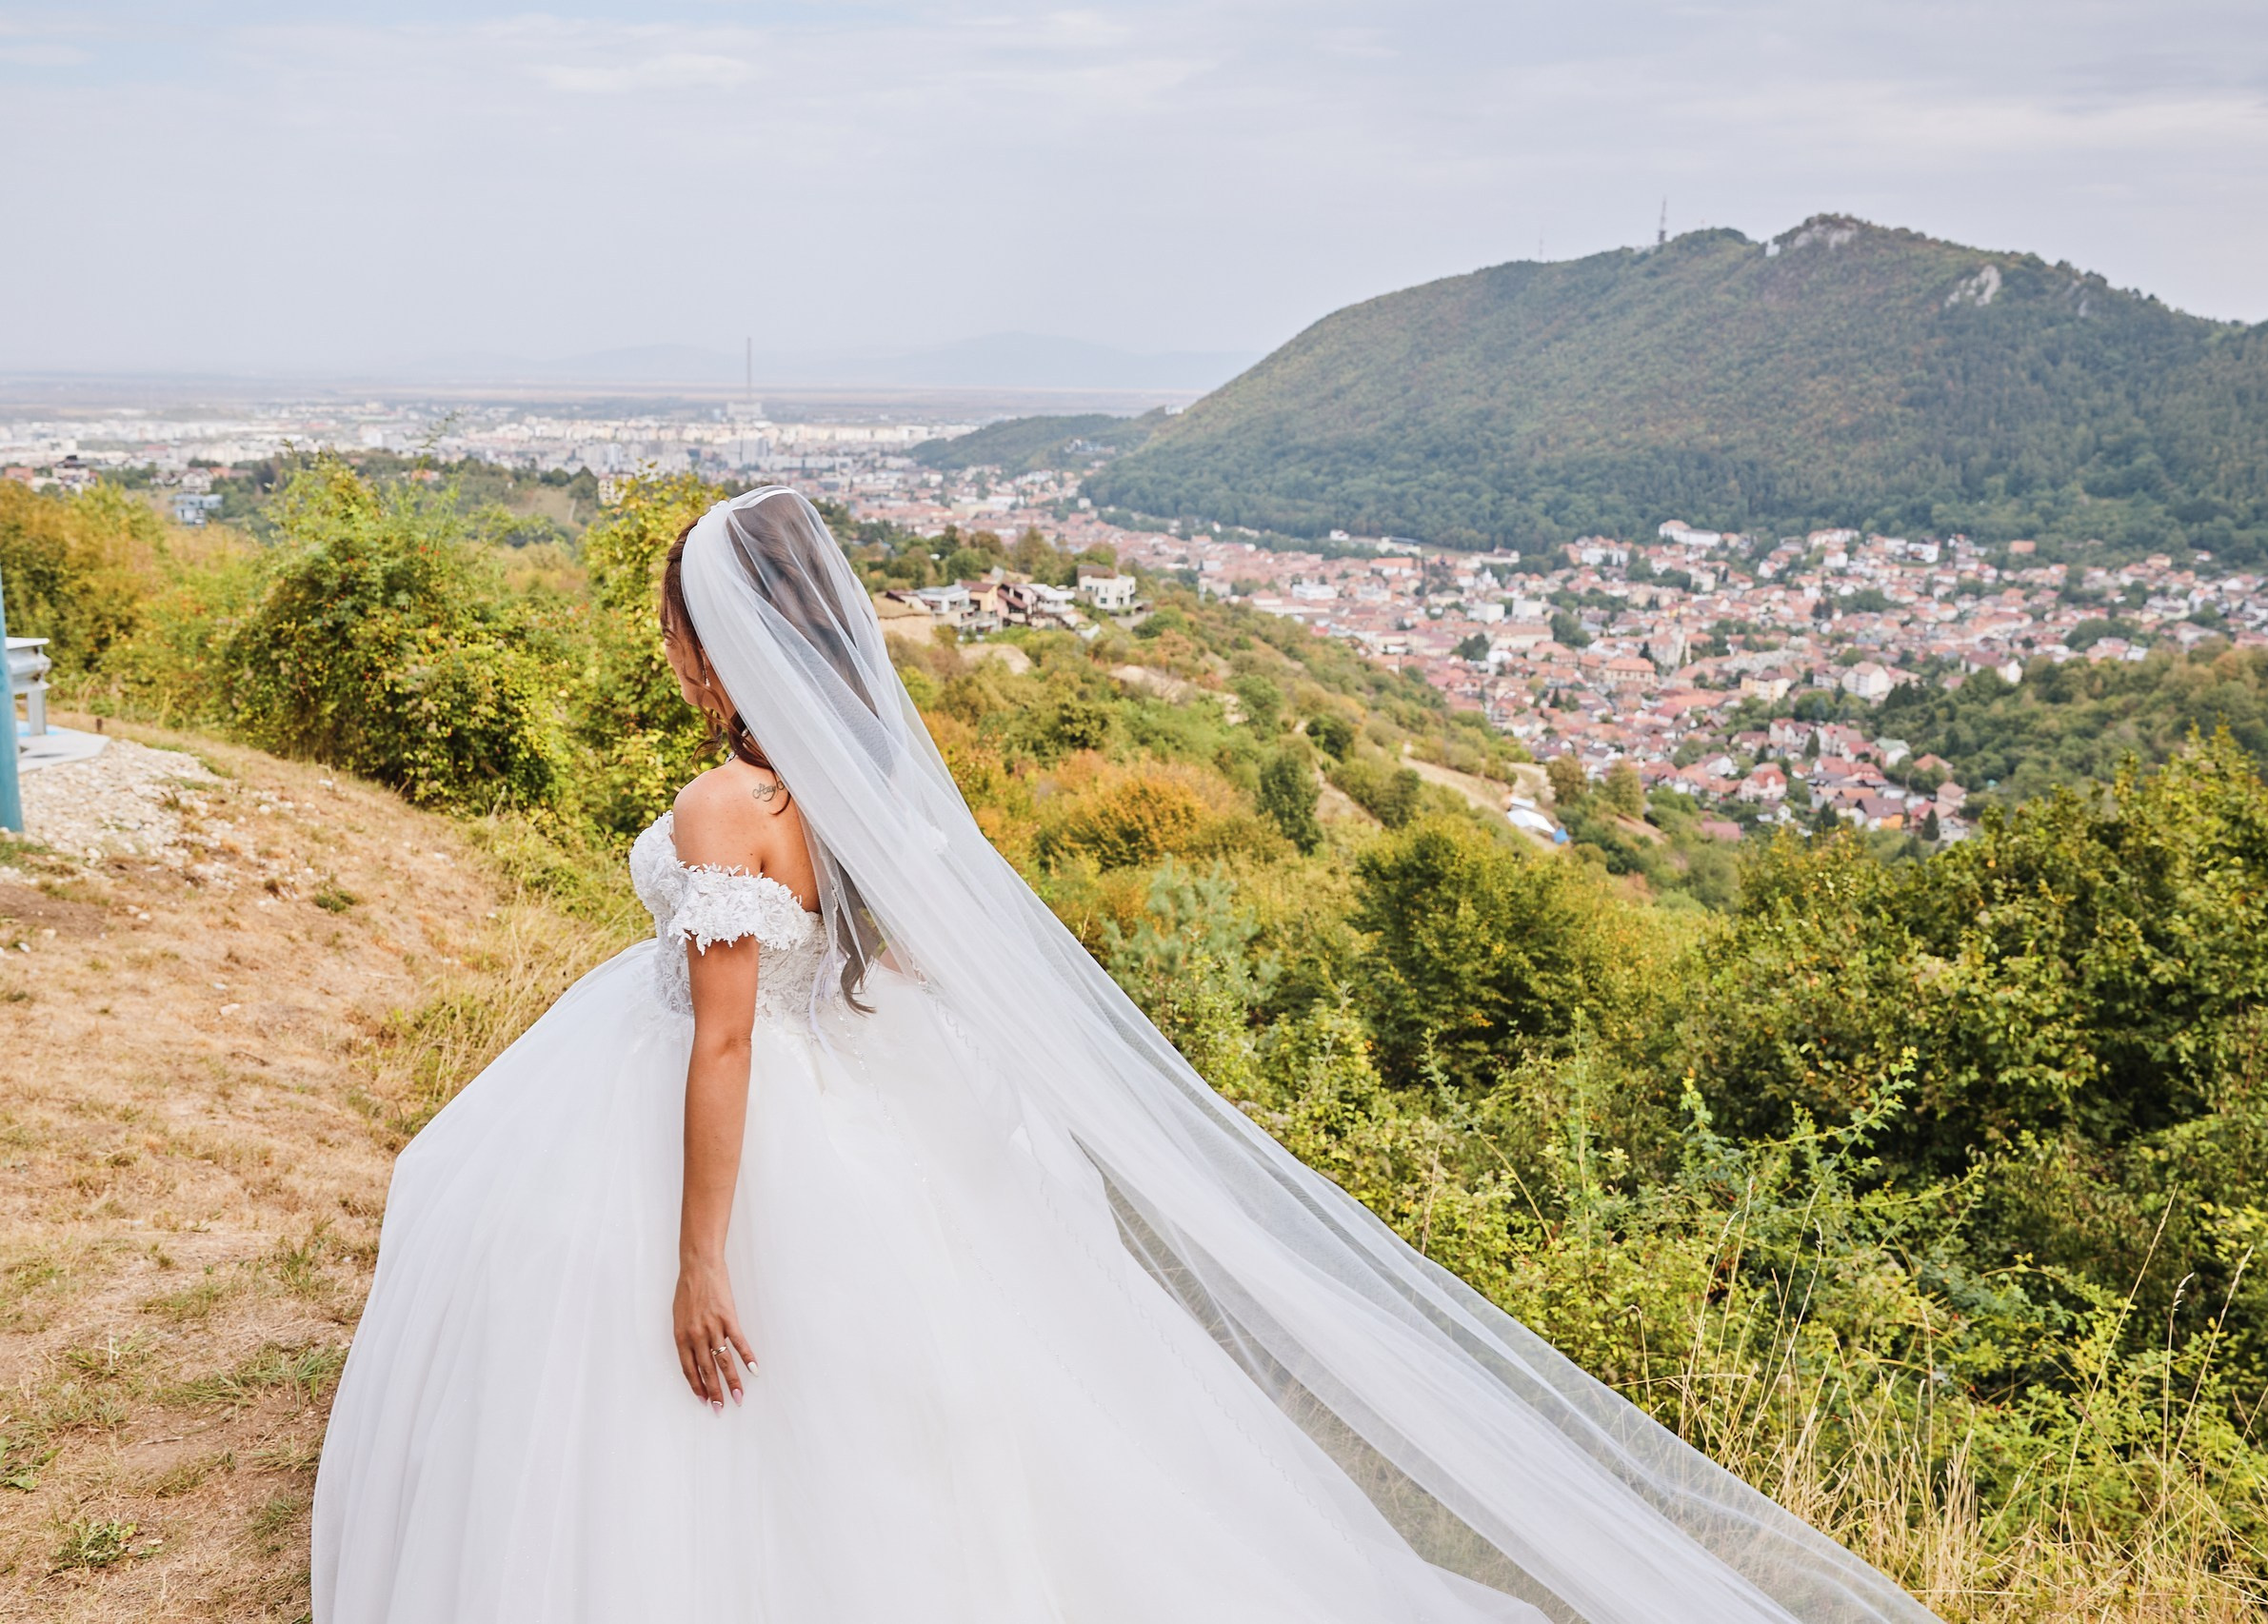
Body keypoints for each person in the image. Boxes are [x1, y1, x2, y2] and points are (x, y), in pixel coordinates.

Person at [312, 487, 1939, 1624]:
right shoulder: (859, 795)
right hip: (859, 1104)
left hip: (739, 1131)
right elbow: (934, 967)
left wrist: (695, 1253)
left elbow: (723, 1043)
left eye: (682, 626)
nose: (675, 654)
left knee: (651, 1384)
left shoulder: (729, 804)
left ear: (723, 641)